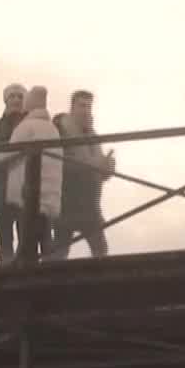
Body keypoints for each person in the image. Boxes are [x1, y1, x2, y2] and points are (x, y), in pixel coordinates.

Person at [52, 89, 114, 259]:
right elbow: (58, 163)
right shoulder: (60, 129)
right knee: (59, 252)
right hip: (67, 202)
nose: (86, 110)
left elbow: (98, 169)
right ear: (72, 107)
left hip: (90, 205)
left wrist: (108, 168)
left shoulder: (92, 134)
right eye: (82, 106)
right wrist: (97, 165)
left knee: (100, 250)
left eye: (89, 106)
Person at [5, 86, 64, 262]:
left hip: (29, 190)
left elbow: (10, 155)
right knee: (45, 231)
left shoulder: (26, 127)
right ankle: (50, 263)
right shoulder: (52, 129)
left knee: (27, 232)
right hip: (49, 190)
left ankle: (25, 262)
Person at [0, 84, 28, 263]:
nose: (16, 99)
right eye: (12, 96)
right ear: (6, 100)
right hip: (2, 187)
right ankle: (6, 268)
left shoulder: (30, 124)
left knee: (26, 236)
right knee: (5, 235)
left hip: (25, 186)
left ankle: (26, 269)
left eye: (20, 96)